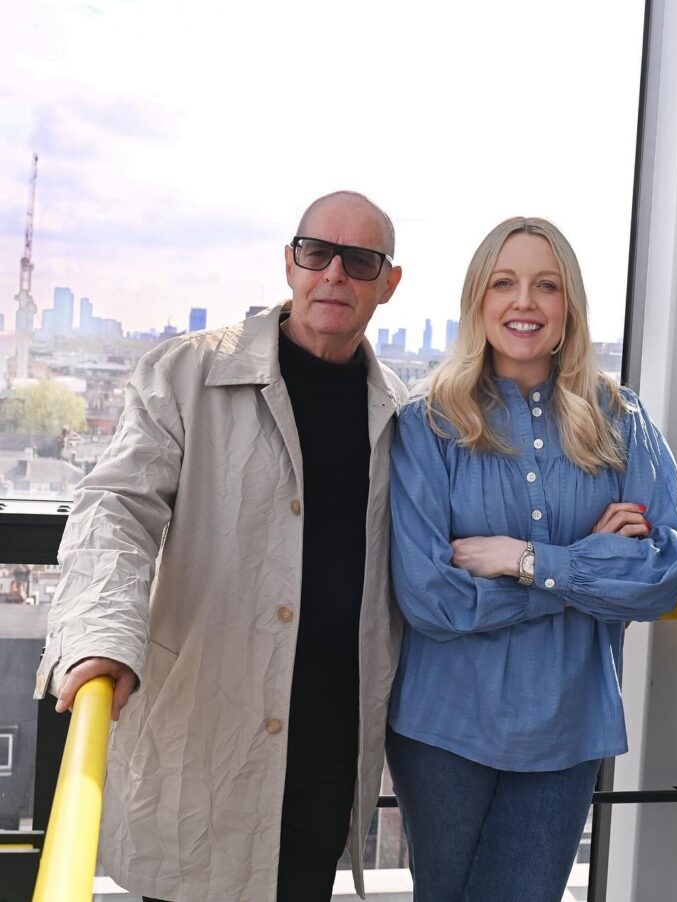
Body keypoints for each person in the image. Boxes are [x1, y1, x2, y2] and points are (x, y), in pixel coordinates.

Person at [35, 191, 406, 902]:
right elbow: (115, 508)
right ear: (289, 262)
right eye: (315, 252)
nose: (334, 274)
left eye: (360, 261)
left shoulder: (396, 410)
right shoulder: (186, 374)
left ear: (388, 284)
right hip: (206, 735)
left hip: (325, 750)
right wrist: (102, 638)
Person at [386, 217, 677, 901]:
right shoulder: (426, 423)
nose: (524, 302)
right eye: (505, 283)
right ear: (479, 300)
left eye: (545, 285)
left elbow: (662, 576)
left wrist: (525, 559)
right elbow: (431, 599)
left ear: (568, 306)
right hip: (445, 732)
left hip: (567, 729)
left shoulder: (622, 420)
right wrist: (586, 567)